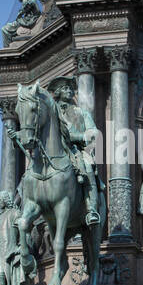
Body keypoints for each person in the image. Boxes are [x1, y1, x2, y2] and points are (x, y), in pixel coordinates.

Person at [48, 77, 101, 225]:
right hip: (52, 151)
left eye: (71, 88)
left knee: (88, 167)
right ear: (58, 92)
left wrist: (80, 136)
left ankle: (91, 210)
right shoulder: (50, 111)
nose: (70, 91)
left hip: (75, 149)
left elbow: (93, 133)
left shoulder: (82, 113)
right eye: (65, 88)